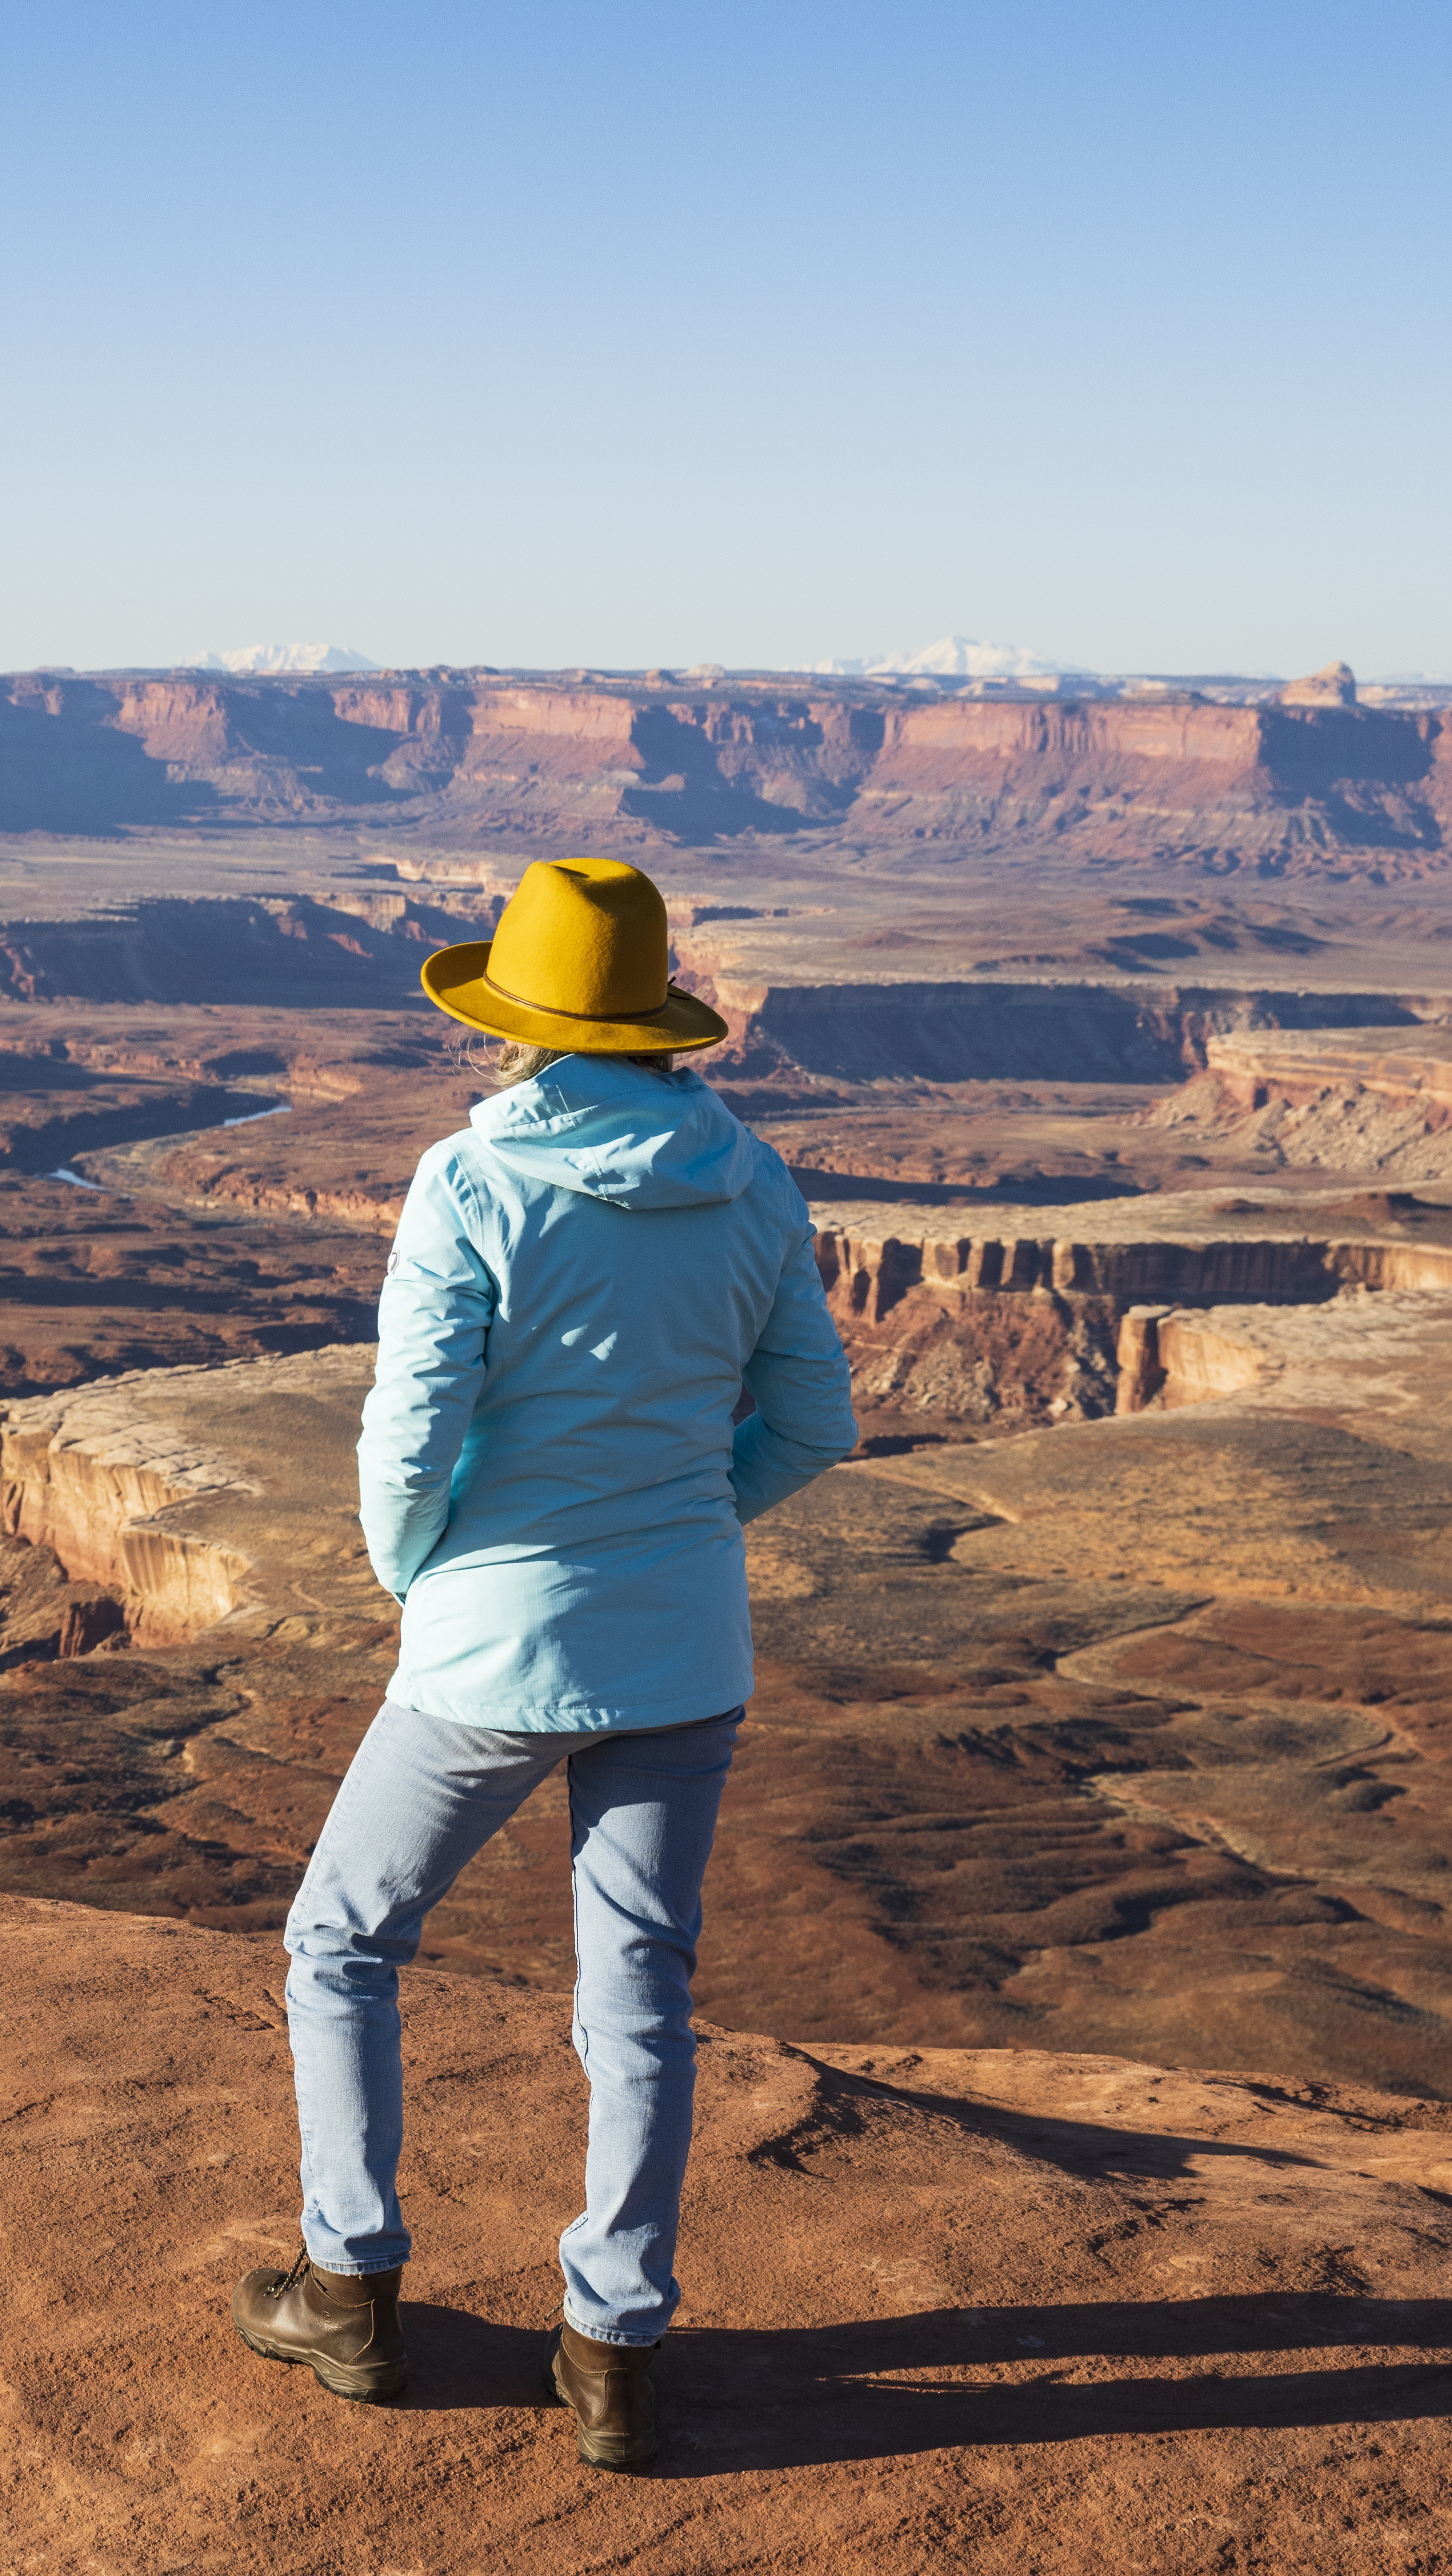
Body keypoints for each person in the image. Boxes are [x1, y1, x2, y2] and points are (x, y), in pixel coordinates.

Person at [228, 856, 856, 2470]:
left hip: (488, 1642)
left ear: (514, 1019)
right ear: (651, 1022)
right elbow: (814, 1421)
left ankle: (346, 2288)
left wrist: (422, 1574)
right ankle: (612, 2350)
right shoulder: (752, 1182)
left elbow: (409, 1427)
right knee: (638, 1988)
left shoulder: (470, 1179)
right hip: (682, 1642)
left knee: (342, 1936)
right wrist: (685, 1524)